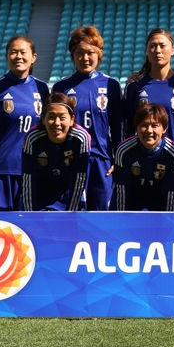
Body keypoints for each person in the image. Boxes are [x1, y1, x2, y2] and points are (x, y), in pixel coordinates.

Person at [0, 35, 50, 211]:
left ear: (33, 57)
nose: (18, 57)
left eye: (23, 52)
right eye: (13, 52)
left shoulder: (42, 89)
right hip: (0, 171)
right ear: (7, 56)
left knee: (29, 230)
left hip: (33, 172)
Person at [52, 25, 123, 211]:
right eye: (79, 53)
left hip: (102, 160)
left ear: (99, 54)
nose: (85, 58)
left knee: (103, 214)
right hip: (70, 160)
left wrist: (118, 160)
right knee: (72, 213)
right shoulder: (62, 87)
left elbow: (118, 126)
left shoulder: (111, 85)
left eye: (90, 52)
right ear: (72, 55)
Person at [124, 28, 174, 146]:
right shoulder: (134, 85)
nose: (157, 50)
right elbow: (128, 128)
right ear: (147, 50)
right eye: (153, 46)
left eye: (162, 46)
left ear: (173, 50)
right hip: (141, 158)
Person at [21, 93, 90, 211]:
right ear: (43, 119)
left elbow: (79, 180)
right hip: (40, 196)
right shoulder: (33, 139)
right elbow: (28, 179)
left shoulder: (80, 139)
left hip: (69, 196)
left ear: (71, 119)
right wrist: (30, 214)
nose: (57, 123)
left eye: (62, 117)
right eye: (51, 117)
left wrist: (71, 213)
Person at [111, 103, 174, 211]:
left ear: (164, 129)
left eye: (155, 126)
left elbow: (170, 194)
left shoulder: (173, 154)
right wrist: (122, 218)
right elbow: (122, 191)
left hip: (160, 199)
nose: (149, 130)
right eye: (143, 125)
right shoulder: (124, 150)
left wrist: (169, 221)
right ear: (137, 127)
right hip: (133, 198)